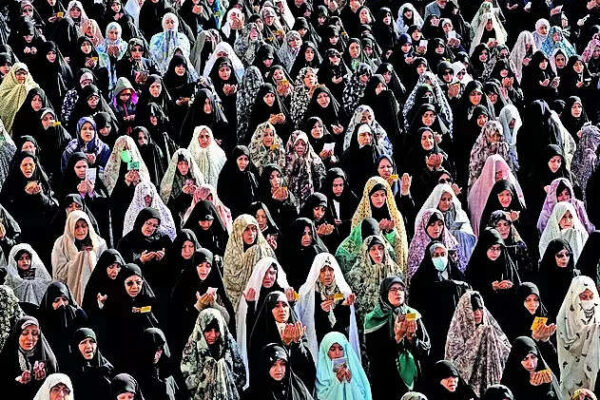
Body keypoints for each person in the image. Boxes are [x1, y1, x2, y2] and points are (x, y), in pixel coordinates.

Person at [365, 276, 431, 399]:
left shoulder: (413, 315)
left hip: (413, 378)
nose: (398, 292)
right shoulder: (373, 319)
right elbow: (374, 355)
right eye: (393, 289)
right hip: (385, 381)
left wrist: (412, 339)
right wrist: (397, 338)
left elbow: (426, 349)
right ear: (384, 293)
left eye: (401, 289)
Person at [445, 291, 511, 396]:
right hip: (465, 392)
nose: (478, 314)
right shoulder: (456, 335)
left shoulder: (490, 331)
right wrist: (477, 338)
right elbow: (453, 367)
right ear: (465, 311)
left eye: (480, 309)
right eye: (473, 309)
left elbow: (508, 354)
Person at [295, 253, 359, 360]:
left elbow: (347, 326)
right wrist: (322, 312)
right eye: (323, 270)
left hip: (338, 346)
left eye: (331, 269)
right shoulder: (307, 293)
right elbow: (306, 323)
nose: (327, 274)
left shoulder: (342, 291)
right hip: (318, 345)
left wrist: (344, 306)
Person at [180, 308, 246, 400]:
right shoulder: (191, 350)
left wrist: (222, 369)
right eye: (208, 330)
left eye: (217, 330)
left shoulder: (230, 347)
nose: (213, 335)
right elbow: (186, 381)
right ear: (201, 329)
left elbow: (241, 379)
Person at [557, 275, 600, 398]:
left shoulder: (598, 321)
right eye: (583, 297)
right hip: (571, 382)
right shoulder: (563, 321)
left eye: (591, 297)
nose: (588, 301)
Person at [52, 210, 107, 304]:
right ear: (70, 226)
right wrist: (80, 259)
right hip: (70, 289)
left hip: (96, 288)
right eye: (76, 226)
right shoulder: (61, 244)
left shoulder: (99, 243)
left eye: (83, 226)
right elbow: (59, 273)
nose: (80, 230)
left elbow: (105, 268)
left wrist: (91, 258)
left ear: (88, 226)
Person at [0, 316, 58, 399]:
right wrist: (18, 383)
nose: (30, 338)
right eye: (25, 333)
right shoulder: (7, 359)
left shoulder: (49, 361)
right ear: (17, 334)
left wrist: (39, 381)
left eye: (34, 333)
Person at [243, 343, 314, 399]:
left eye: (282, 364)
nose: (279, 369)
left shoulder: (299, 390)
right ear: (265, 366)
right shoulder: (251, 395)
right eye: (273, 364)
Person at [315, 331, 372, 400]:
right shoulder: (321, 375)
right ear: (326, 351)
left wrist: (350, 382)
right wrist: (337, 381)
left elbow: (362, 395)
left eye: (341, 349)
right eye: (332, 349)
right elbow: (321, 397)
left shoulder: (353, 369)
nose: (337, 353)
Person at [66, 328, 115, 400]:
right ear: (76, 346)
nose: (88, 346)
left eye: (92, 341)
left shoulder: (106, 370)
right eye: (83, 342)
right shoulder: (69, 372)